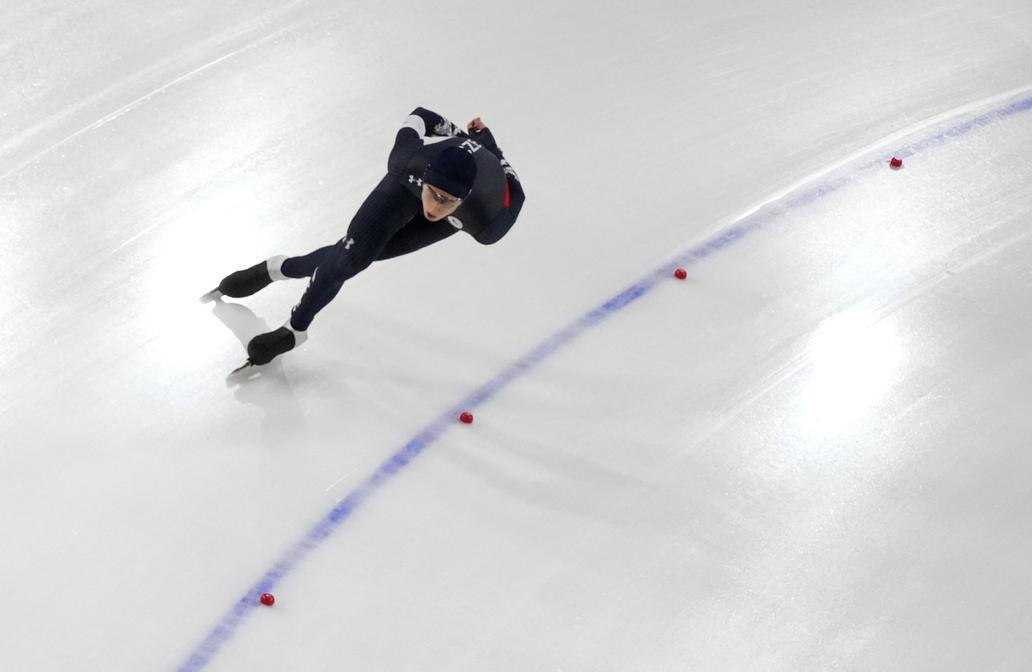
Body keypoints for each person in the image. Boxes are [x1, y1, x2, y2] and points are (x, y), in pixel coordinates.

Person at [202, 107, 526, 367]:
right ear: (425, 180)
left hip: (466, 191)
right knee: (349, 258)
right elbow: (420, 115)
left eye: (447, 201)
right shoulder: (406, 162)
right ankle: (295, 327)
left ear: (463, 199)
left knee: (355, 256)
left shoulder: (485, 221)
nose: (435, 207)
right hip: (404, 187)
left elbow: (518, 194)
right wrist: (458, 136)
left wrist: (492, 149)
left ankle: (276, 269)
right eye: (433, 194)